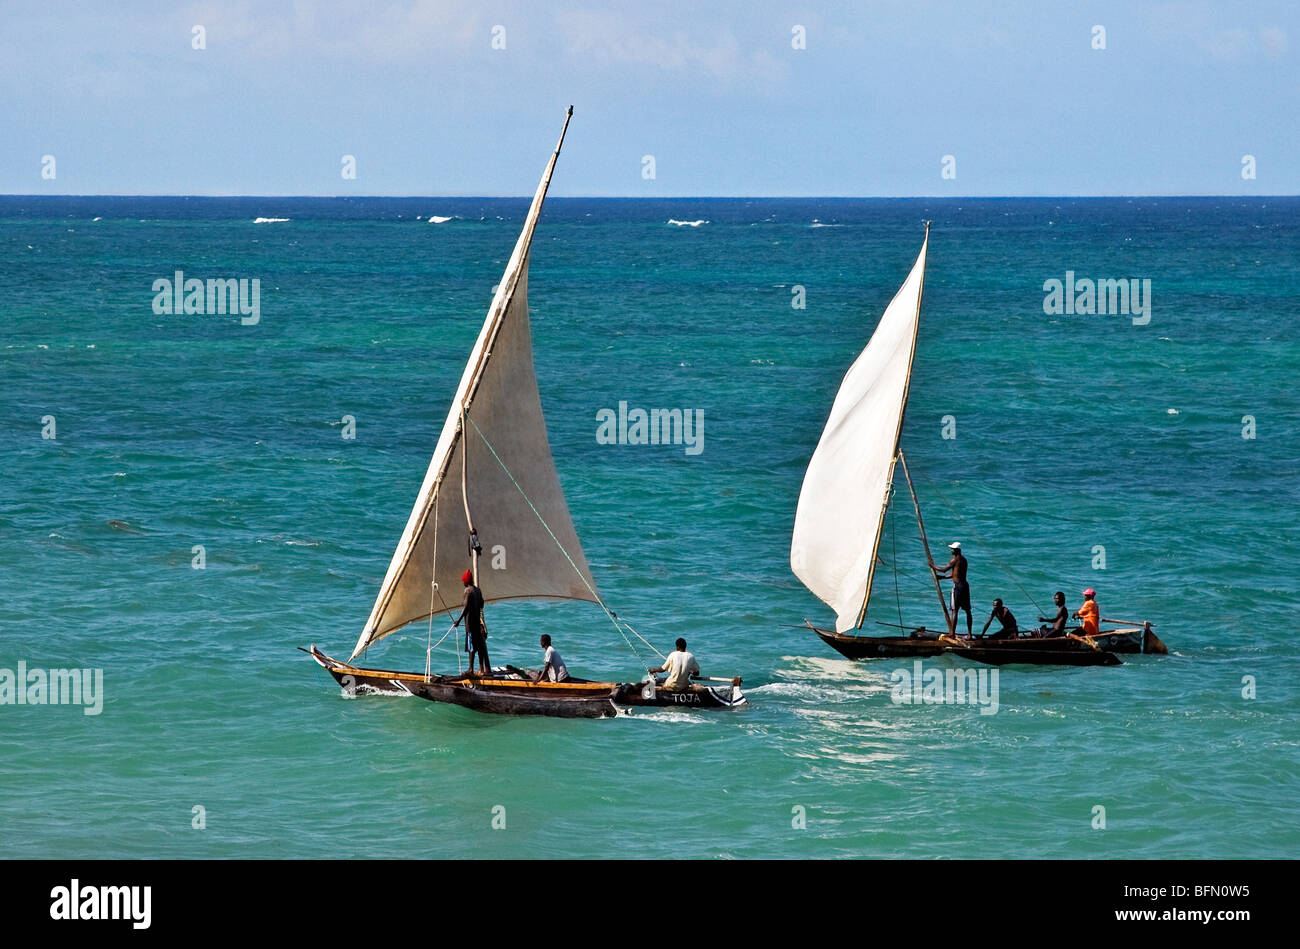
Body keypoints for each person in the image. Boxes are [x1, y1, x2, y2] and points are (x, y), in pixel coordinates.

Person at [452, 567, 490, 675]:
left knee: (471, 647)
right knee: (478, 646)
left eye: (464, 581)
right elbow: (482, 604)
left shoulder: (467, 591)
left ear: (467, 581)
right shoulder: (478, 590)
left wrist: (458, 621)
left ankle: (471, 669)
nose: (463, 582)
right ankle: (481, 669)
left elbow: (465, 608)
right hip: (477, 623)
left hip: (470, 624)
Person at [933, 542, 972, 637]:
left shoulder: (954, 560)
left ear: (957, 550)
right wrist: (942, 578)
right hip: (965, 586)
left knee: (954, 611)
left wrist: (932, 566)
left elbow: (943, 569)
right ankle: (970, 634)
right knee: (968, 611)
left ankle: (952, 633)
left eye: (953, 549)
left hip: (958, 587)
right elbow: (956, 574)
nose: (951, 551)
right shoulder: (964, 560)